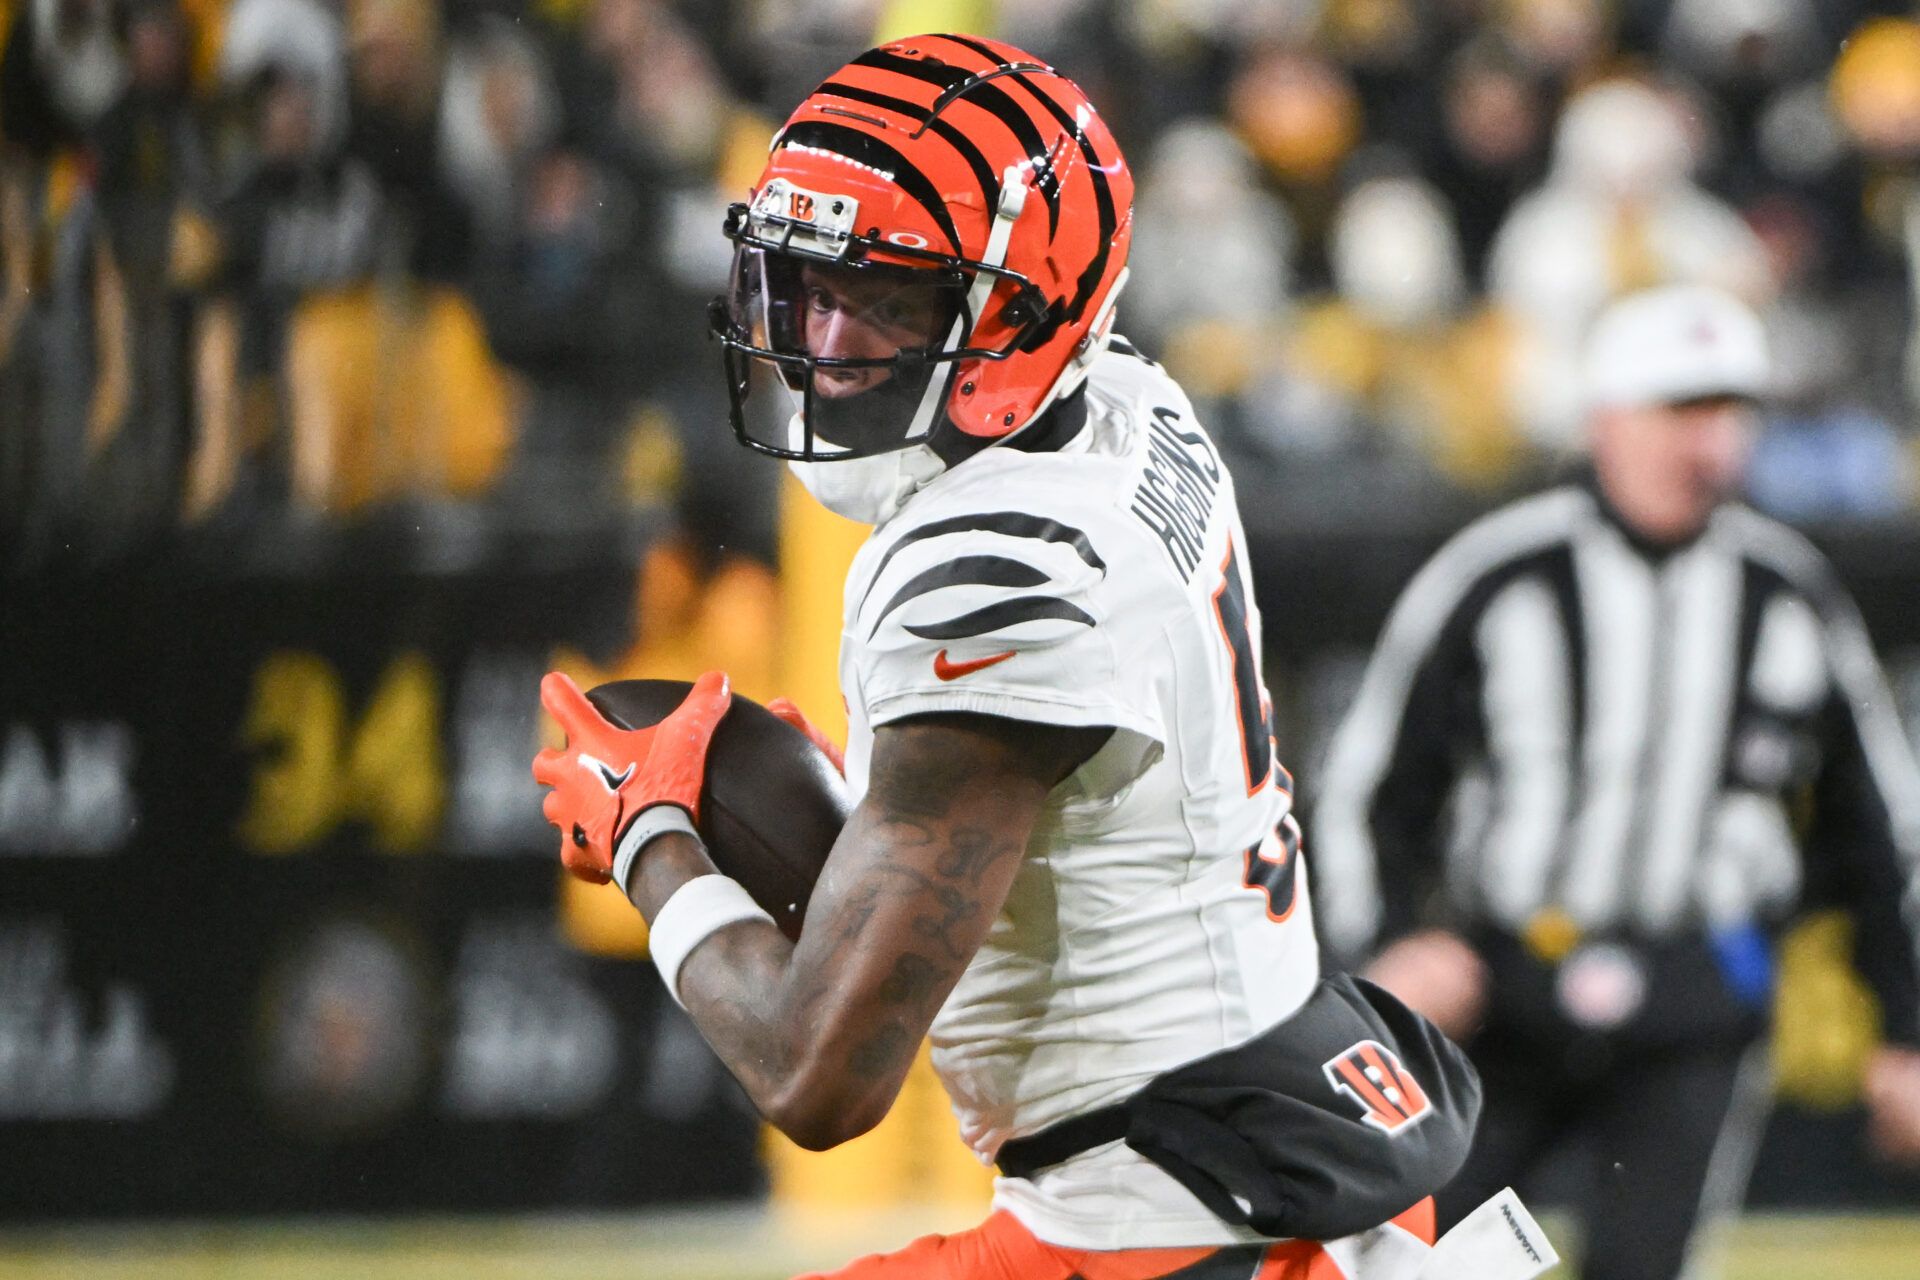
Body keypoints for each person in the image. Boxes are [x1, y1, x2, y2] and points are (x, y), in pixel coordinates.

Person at [531, 34, 1542, 1280]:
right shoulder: (1128, 403)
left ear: (1018, 310)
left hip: (1163, 1227)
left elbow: (818, 1077)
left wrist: (655, 842)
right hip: (1269, 1155)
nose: (822, 342)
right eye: (804, 288)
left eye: (886, 297)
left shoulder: (995, 564)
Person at [1313, 283, 1920, 1280]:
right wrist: (1382, 950)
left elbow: (1873, 825)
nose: (1709, 441)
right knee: (1412, 1265)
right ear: (1607, 419)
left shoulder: (1787, 593)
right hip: (1500, 991)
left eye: (1729, 411)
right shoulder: (1499, 574)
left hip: (1695, 998)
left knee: (1648, 1265)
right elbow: (1373, 785)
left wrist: (1905, 1030)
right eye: (1681, 408)